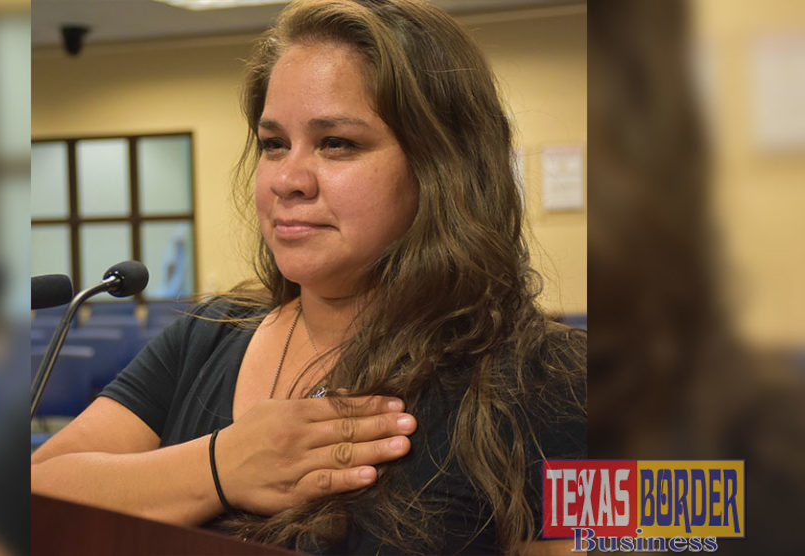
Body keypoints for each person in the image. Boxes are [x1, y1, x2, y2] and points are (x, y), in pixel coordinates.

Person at [31, 1, 585, 554]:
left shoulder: (555, 380)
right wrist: (220, 467)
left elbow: (652, 532)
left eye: (336, 143)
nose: (288, 179)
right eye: (274, 144)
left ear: (442, 165)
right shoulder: (205, 337)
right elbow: (34, 494)